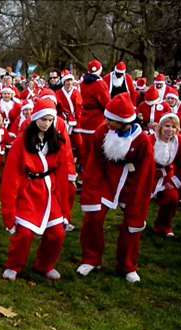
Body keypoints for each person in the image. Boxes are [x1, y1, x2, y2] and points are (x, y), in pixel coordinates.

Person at [77, 92, 155, 283]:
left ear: (123, 121)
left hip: (132, 183)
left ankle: (127, 265)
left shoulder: (142, 141)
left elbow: (145, 172)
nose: (106, 122)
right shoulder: (101, 132)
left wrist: (138, 199)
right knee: (93, 218)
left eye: (111, 119)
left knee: (132, 224)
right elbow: (94, 162)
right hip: (106, 180)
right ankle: (91, 258)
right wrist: (91, 188)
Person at [0, 98, 70, 281]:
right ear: (35, 119)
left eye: (50, 120)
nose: (46, 124)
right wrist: (9, 212)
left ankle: (45, 264)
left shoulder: (57, 141)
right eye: (43, 119)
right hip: (28, 191)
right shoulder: (20, 143)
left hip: (49, 191)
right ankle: (14, 265)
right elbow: (10, 178)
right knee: (24, 234)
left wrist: (65, 209)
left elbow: (62, 176)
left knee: (57, 234)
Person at [149, 113, 181, 237]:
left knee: (172, 198)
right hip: (148, 174)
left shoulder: (180, 141)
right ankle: (133, 222)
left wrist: (175, 181)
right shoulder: (149, 139)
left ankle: (163, 226)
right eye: (167, 126)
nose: (170, 130)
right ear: (160, 127)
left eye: (174, 127)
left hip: (166, 175)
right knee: (137, 198)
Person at [76, 60, 110, 167]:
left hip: (84, 118)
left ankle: (83, 171)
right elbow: (106, 103)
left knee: (85, 147)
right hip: (96, 119)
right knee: (96, 149)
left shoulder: (82, 83)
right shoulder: (100, 84)